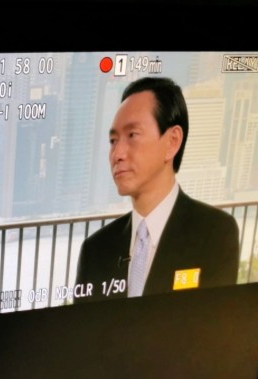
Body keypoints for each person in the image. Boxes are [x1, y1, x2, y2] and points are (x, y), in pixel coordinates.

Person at [75, 77, 240, 301]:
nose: (117, 154)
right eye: (113, 140)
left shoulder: (215, 233)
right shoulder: (95, 250)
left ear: (172, 141)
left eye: (132, 135)